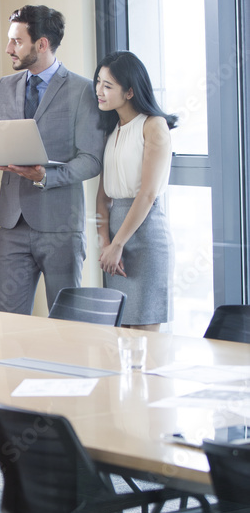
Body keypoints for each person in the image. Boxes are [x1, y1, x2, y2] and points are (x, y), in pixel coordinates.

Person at [0, 5, 105, 314]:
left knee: (67, 323)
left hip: (60, 226)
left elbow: (91, 159)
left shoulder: (82, 91)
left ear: (42, 44)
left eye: (17, 41)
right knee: (8, 322)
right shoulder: (4, 87)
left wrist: (45, 177)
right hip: (12, 224)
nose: (8, 48)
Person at [94, 50, 176, 331]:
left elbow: (147, 195)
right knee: (119, 338)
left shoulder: (154, 126)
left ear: (129, 91)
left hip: (145, 236)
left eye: (108, 86)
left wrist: (118, 245)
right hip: (114, 237)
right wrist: (104, 243)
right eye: (99, 83)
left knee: (145, 341)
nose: (99, 91)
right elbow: (103, 197)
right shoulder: (112, 130)